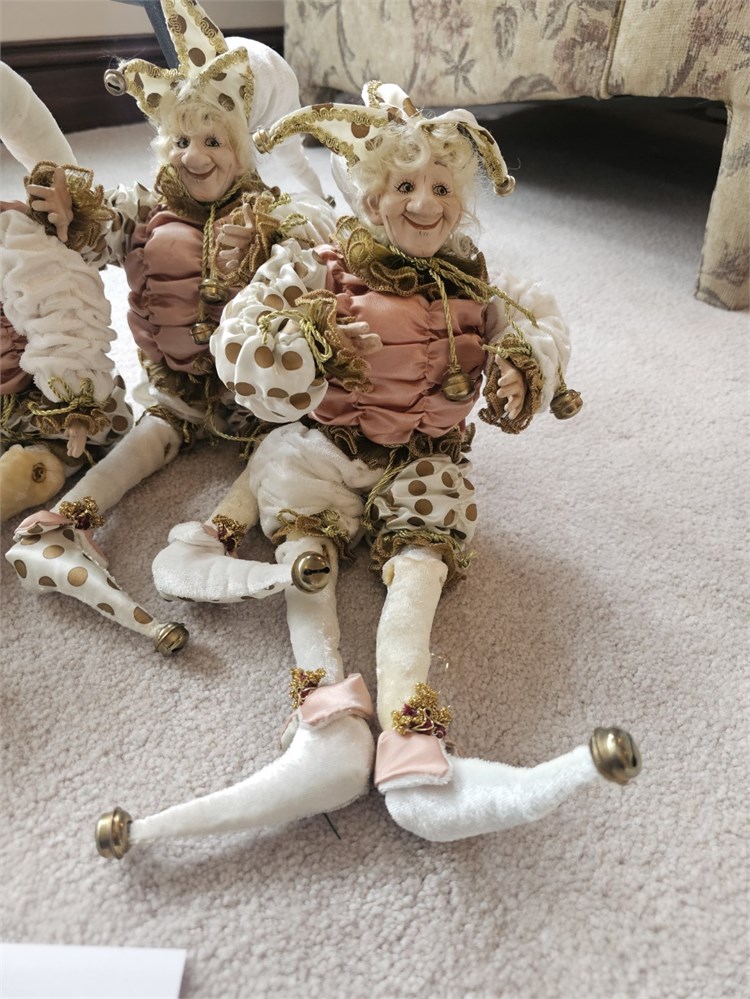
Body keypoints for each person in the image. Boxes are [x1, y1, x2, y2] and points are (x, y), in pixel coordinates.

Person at [94, 82, 640, 858]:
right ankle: (326, 718)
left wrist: (525, 366)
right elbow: (246, 324)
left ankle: (413, 734)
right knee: (306, 563)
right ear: (370, 195)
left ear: (463, 200)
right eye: (405, 185)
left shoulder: (473, 281)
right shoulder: (324, 264)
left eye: (442, 188)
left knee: (417, 579)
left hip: (422, 460)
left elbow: (538, 320)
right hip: (329, 449)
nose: (424, 204)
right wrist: (298, 345)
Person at [5, 0, 336, 653]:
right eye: (181, 141)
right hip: (176, 388)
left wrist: (291, 246)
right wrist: (74, 206)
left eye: (213, 142)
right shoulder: (146, 210)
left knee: (279, 455)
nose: (194, 156)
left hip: (257, 405)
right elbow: (100, 226)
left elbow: (318, 244)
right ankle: (72, 516)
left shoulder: (269, 214)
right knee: (145, 439)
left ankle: (220, 533)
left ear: (242, 149)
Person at [0, 62, 133, 522]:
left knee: (97, 420)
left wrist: (75, 401)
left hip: (28, 388)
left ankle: (41, 465)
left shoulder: (16, 238)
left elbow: (65, 313)